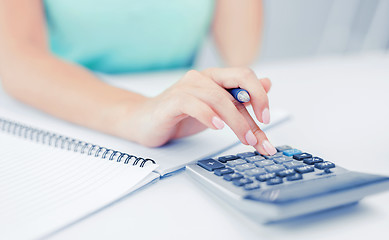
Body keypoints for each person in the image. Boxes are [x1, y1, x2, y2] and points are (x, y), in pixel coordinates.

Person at [0, 0, 277, 156]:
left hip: (174, 123)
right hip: (65, 115)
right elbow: (14, 57)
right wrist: (137, 112)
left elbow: (240, 49)